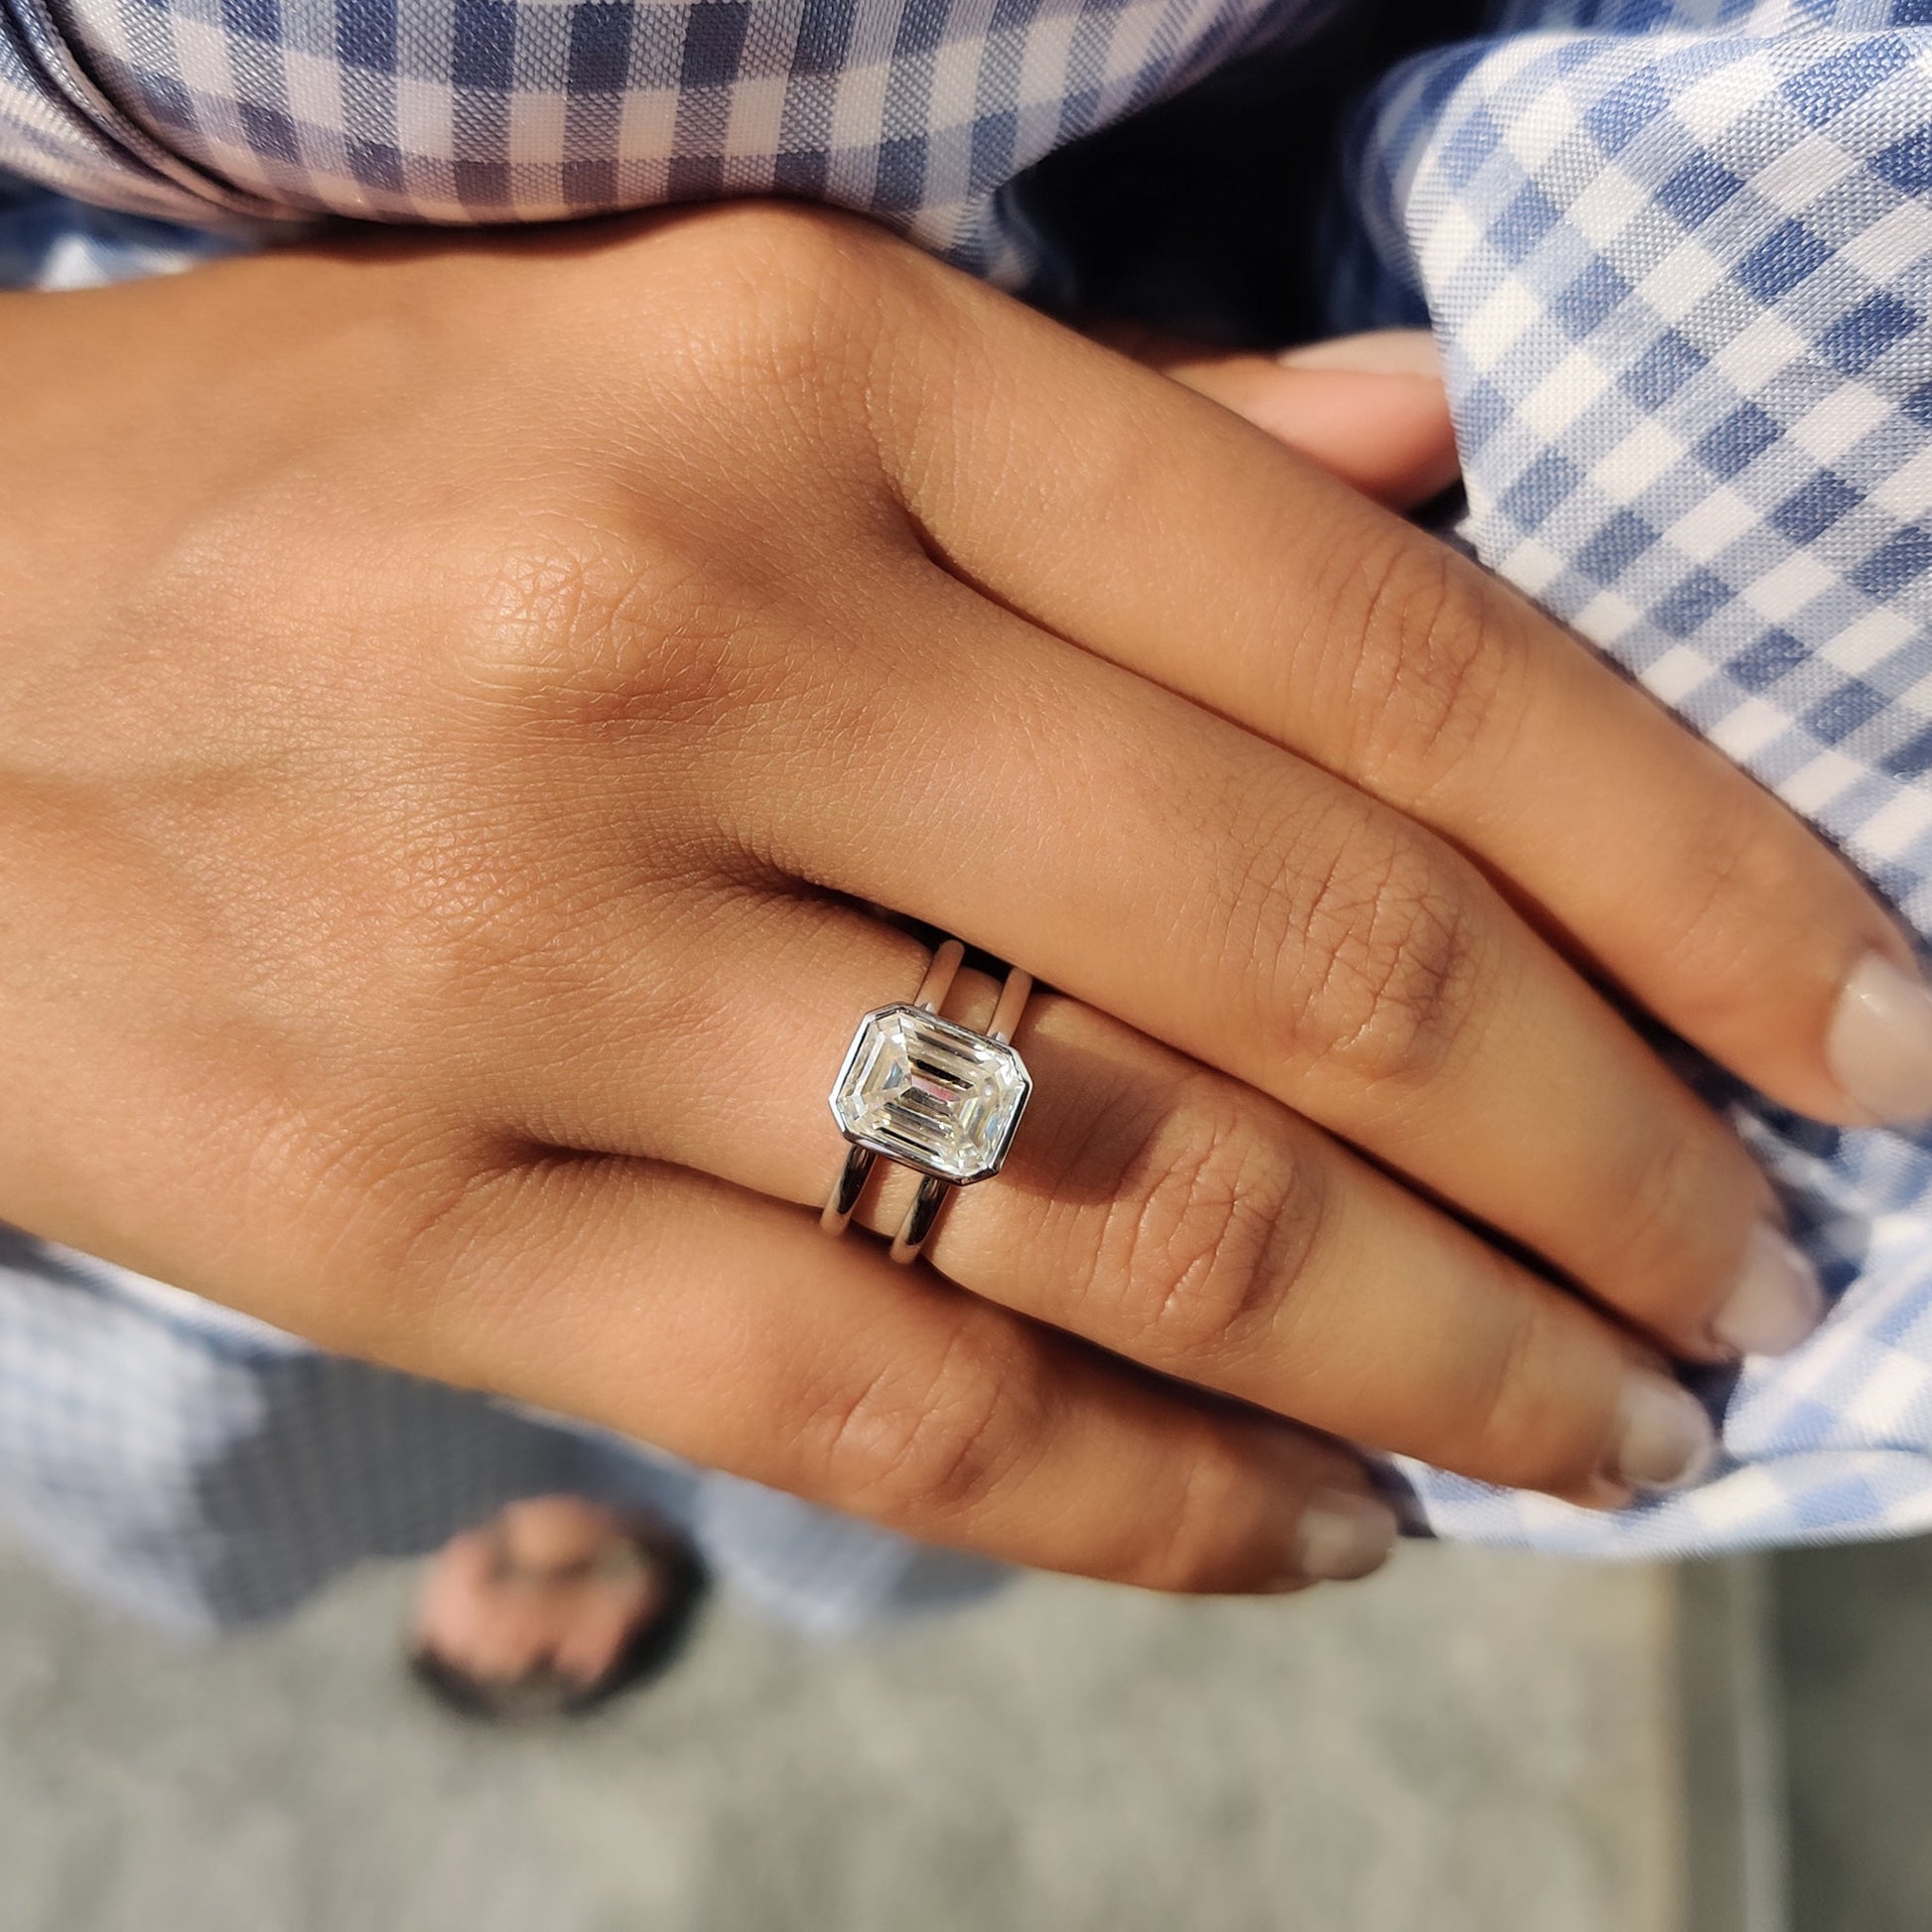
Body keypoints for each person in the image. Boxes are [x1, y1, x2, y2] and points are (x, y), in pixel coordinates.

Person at [0, 0, 1928, 1710]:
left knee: (879, 1392)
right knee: (541, 1346)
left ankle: (652, 1497)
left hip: (1061, 927)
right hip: (108, 1031)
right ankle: (571, 1472)